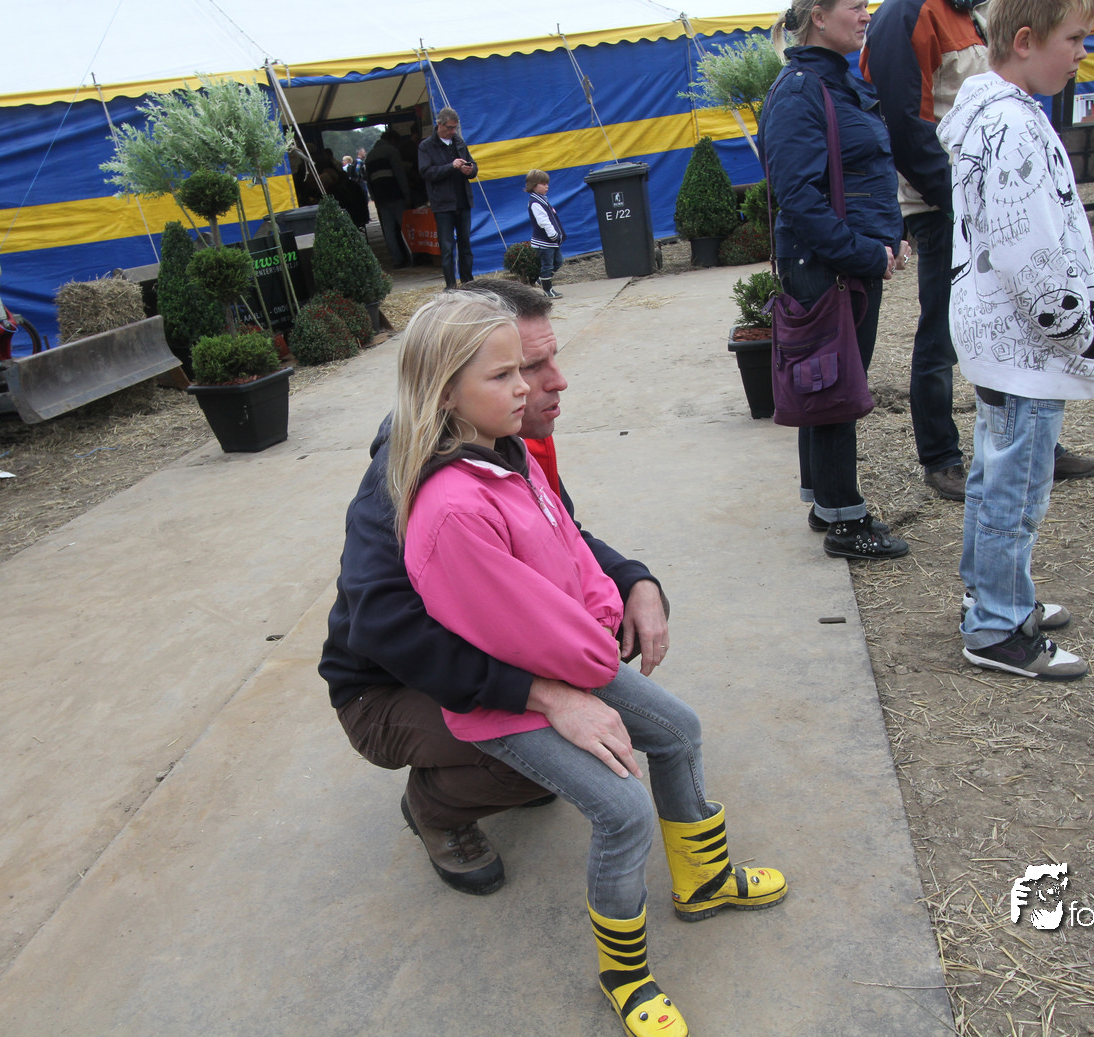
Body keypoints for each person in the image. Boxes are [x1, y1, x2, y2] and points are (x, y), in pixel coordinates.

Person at [389, 290, 785, 1037]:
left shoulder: (510, 456)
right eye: (502, 375)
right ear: (445, 393)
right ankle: (624, 974)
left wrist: (608, 607)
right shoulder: (453, 508)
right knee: (622, 811)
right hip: (510, 697)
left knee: (679, 730)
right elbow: (521, 625)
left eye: (523, 368)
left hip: (572, 661)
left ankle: (703, 881)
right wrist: (597, 652)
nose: (527, 387)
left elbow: (574, 550)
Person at [319, 279, 672, 898]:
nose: (553, 382)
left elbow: (562, 536)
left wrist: (632, 579)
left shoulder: (503, 447)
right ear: (449, 385)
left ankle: (497, 766)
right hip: (387, 687)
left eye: (541, 361)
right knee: (559, 755)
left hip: (471, 656)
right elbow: (384, 626)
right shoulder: (410, 482)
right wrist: (544, 696)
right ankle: (435, 807)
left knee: (588, 713)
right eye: (522, 368)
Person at [861, 0, 1094, 500]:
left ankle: (1035, 440)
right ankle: (941, 456)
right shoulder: (907, 14)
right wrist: (958, 197)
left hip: (981, 196)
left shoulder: (968, 12)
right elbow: (903, 121)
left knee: (1010, 322)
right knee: (943, 332)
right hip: (943, 202)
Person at [939, 0, 1094, 680]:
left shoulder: (991, 115)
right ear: (1025, 40)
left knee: (991, 477)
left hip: (998, 339)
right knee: (1016, 486)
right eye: (1075, 38)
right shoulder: (1012, 124)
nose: (1082, 52)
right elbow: (1027, 249)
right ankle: (997, 625)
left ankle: (988, 592)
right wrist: (1077, 334)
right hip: (1028, 347)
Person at [758, 0, 913, 560]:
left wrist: (891, 236)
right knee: (834, 389)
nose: (866, 15)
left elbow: (861, 172)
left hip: (842, 263)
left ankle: (827, 505)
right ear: (819, 17)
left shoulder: (833, 83)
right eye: (855, 6)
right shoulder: (800, 91)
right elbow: (799, 198)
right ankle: (847, 522)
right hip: (827, 266)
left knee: (831, 382)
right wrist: (865, 253)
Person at [416, 107, 479, 288]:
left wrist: (470, 170)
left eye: (455, 128)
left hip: (463, 201)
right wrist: (450, 166)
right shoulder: (426, 146)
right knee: (447, 247)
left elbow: (473, 166)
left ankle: (468, 283)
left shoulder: (459, 142)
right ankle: (450, 286)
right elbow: (426, 172)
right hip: (443, 204)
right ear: (440, 125)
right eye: (450, 128)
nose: (453, 131)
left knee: (466, 245)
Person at [366, 129, 414, 268]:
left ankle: (397, 259)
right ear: (393, 140)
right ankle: (413, 256)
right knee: (405, 226)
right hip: (395, 194)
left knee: (389, 230)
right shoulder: (391, 151)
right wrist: (407, 194)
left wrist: (374, 198)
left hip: (381, 197)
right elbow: (400, 174)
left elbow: (368, 181)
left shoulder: (369, 156)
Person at [524, 169, 566, 298]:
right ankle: (548, 290)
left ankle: (541, 280)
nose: (546, 186)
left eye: (547, 184)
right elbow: (544, 222)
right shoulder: (535, 203)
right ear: (533, 186)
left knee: (558, 261)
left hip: (551, 242)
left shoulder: (543, 200)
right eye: (543, 184)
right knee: (547, 265)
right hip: (544, 242)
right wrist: (553, 234)